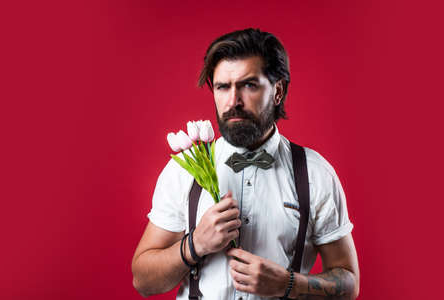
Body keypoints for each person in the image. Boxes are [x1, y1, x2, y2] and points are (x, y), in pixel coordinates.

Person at [132, 28, 359, 300]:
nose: (233, 102)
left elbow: (348, 283)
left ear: (278, 91)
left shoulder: (314, 173)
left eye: (249, 85)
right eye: (223, 87)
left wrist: (289, 284)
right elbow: (143, 281)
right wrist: (195, 244)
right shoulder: (184, 170)